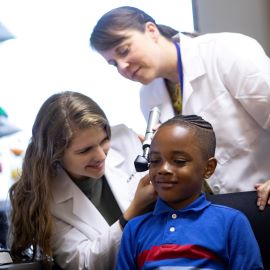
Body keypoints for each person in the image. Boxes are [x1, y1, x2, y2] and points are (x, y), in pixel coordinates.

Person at [90, 6, 270, 210]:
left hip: (262, 197)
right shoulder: (148, 96)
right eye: (114, 63)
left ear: (151, 31)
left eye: (124, 50)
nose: (122, 67)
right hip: (215, 212)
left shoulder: (226, 51)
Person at [8, 91, 157, 270]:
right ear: (56, 154)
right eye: (85, 151)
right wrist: (133, 211)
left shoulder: (124, 139)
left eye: (104, 140)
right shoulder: (48, 199)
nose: (101, 156)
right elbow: (84, 263)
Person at [116, 114, 263, 269]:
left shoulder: (231, 223)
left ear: (208, 168)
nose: (163, 169)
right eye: (154, 161)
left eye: (179, 161)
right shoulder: (134, 230)